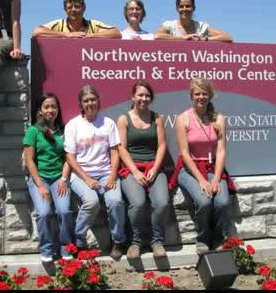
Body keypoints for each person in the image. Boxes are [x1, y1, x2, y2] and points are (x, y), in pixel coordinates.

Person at [170, 78, 237, 254]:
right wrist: (201, 180)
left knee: (222, 201)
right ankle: (202, 239)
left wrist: (215, 178)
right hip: (189, 169)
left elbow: (221, 151)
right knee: (204, 201)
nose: (201, 97)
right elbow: (184, 153)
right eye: (197, 93)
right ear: (192, 96)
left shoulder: (219, 119)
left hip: (212, 168)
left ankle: (217, 237)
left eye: (204, 93)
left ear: (210, 95)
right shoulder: (183, 119)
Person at [64, 85, 126, 261]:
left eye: (93, 99)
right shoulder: (73, 125)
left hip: (106, 173)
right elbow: (70, 158)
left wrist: (113, 175)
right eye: (86, 100)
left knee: (115, 201)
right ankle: (79, 240)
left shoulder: (108, 123)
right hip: (81, 175)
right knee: (91, 203)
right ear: (80, 104)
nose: (90, 103)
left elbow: (115, 151)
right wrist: (87, 179)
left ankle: (118, 241)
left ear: (98, 100)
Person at [117, 80, 169, 259]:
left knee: (161, 202)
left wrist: (155, 168)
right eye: (140, 95)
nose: (143, 98)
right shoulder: (124, 119)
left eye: (147, 95)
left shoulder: (157, 118)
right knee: (138, 203)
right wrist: (135, 172)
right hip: (132, 169)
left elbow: (162, 146)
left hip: (154, 167)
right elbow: (122, 148)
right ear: (132, 96)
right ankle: (135, 242)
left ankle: (157, 241)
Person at [23, 93, 73, 263]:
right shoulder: (33, 130)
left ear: (58, 109)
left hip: (59, 178)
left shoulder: (63, 130)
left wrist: (64, 179)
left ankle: (66, 247)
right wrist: (40, 185)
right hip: (40, 179)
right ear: (40, 110)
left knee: (64, 211)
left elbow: (68, 158)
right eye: (46, 107)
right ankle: (46, 249)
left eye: (53, 106)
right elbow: (29, 160)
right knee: (44, 213)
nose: (50, 110)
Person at [32, 0, 121, 39]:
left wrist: (89, 36)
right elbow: (36, 32)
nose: (73, 10)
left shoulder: (93, 25)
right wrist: (66, 35)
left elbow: (116, 33)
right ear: (65, 9)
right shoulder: (58, 24)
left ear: (84, 8)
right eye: (70, 7)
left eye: (77, 6)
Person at [155, 0, 233, 42]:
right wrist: (183, 38)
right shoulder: (169, 25)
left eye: (188, 6)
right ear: (177, 9)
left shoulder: (201, 26)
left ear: (194, 8)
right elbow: (157, 36)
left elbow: (228, 37)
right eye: (181, 6)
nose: (184, 9)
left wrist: (204, 39)